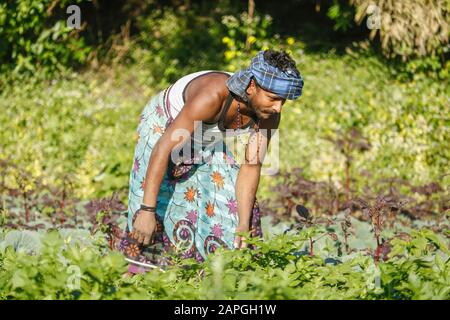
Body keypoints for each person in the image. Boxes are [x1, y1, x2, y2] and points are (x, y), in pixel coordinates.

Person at [119, 49, 304, 273]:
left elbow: (251, 166)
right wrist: (146, 210)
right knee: (158, 204)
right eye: (273, 98)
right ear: (252, 86)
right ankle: (142, 276)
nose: (278, 107)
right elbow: (162, 149)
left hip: (206, 137)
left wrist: (243, 226)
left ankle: (207, 274)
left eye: (283, 100)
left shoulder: (270, 114)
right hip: (163, 127)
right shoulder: (211, 96)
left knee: (227, 203)